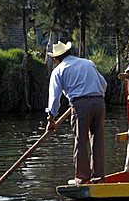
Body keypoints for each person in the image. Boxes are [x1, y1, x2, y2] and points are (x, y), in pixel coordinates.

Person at [46, 41, 107, 184]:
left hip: (80, 105)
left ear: (56, 59)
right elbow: (104, 84)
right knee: (98, 141)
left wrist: (51, 118)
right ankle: (99, 178)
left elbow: (54, 98)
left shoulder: (59, 70)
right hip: (99, 102)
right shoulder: (88, 63)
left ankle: (82, 178)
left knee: (81, 141)